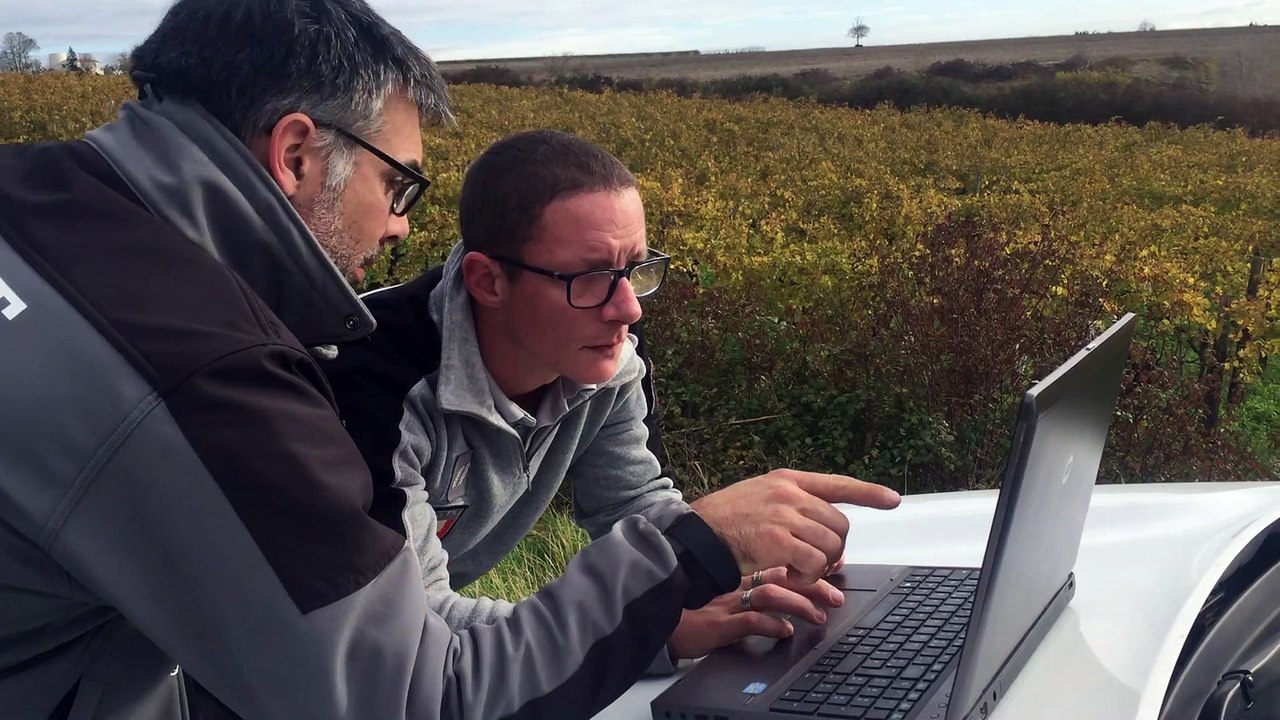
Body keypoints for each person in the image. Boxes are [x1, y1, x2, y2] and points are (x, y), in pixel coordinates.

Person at [0, 2, 901, 720]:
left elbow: (630, 507)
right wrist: (691, 554)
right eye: (399, 184)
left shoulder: (34, 202)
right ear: (298, 153)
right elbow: (420, 694)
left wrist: (696, 589)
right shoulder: (223, 379)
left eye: (636, 273)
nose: (399, 226)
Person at [324, 129, 876, 674]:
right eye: (590, 278)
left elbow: (631, 504)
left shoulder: (605, 362)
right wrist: (643, 632)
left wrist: (727, 569)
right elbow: (419, 638)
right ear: (488, 282)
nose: (628, 308)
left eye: (635, 269)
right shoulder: (366, 391)